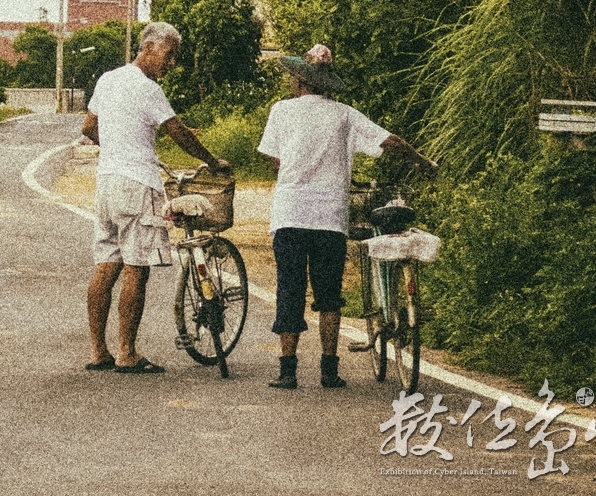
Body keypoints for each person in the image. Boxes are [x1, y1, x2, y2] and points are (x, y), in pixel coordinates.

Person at [257, 44, 436, 389]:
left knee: (289, 290)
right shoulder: (344, 115)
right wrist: (422, 162)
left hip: (290, 213)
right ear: (327, 82)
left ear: (299, 79)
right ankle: (328, 369)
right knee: (329, 295)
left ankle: (288, 370)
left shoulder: (281, 111)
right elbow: (392, 141)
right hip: (330, 217)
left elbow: (274, 161)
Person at [80, 22, 231, 374]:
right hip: (137, 185)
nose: (172, 62)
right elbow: (177, 131)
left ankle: (98, 351)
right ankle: (127, 353)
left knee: (107, 264)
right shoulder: (148, 89)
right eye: (169, 53)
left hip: (107, 183)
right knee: (137, 267)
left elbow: (89, 127)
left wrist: (118, 147)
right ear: (147, 47)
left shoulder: (108, 79)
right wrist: (211, 161)